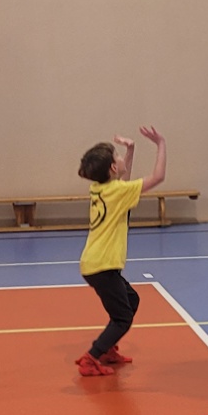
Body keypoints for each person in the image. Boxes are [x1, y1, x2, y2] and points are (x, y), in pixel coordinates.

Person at [74, 125, 166, 377]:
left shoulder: (101, 188)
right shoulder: (116, 191)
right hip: (102, 266)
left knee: (131, 300)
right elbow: (158, 177)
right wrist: (160, 144)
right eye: (118, 156)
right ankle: (91, 358)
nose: (121, 159)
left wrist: (131, 150)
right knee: (123, 318)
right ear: (113, 168)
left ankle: (107, 349)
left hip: (97, 264)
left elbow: (123, 182)